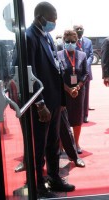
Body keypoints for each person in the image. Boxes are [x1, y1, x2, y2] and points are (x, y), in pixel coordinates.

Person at [26, 2, 75, 198]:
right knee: (39, 146)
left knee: (53, 143)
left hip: (54, 101)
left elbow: (55, 68)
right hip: (42, 104)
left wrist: (61, 99)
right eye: (52, 19)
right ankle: (39, 185)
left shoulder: (46, 36)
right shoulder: (29, 37)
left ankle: (54, 178)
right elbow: (30, 75)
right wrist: (39, 105)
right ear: (40, 17)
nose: (54, 23)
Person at [57, 30, 89, 154]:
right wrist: (68, 89)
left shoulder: (82, 55)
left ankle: (76, 143)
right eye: (67, 41)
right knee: (62, 119)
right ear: (64, 42)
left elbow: (86, 73)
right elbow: (57, 75)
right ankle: (60, 145)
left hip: (78, 92)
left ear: (76, 42)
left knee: (77, 118)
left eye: (72, 41)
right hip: (63, 92)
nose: (70, 43)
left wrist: (77, 87)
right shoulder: (58, 55)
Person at [73, 24, 94, 123]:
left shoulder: (88, 41)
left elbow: (91, 55)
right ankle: (76, 115)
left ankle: (85, 115)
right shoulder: (71, 42)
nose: (80, 30)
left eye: (81, 29)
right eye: (77, 29)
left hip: (86, 73)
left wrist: (86, 64)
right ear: (74, 30)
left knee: (85, 95)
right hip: (75, 73)